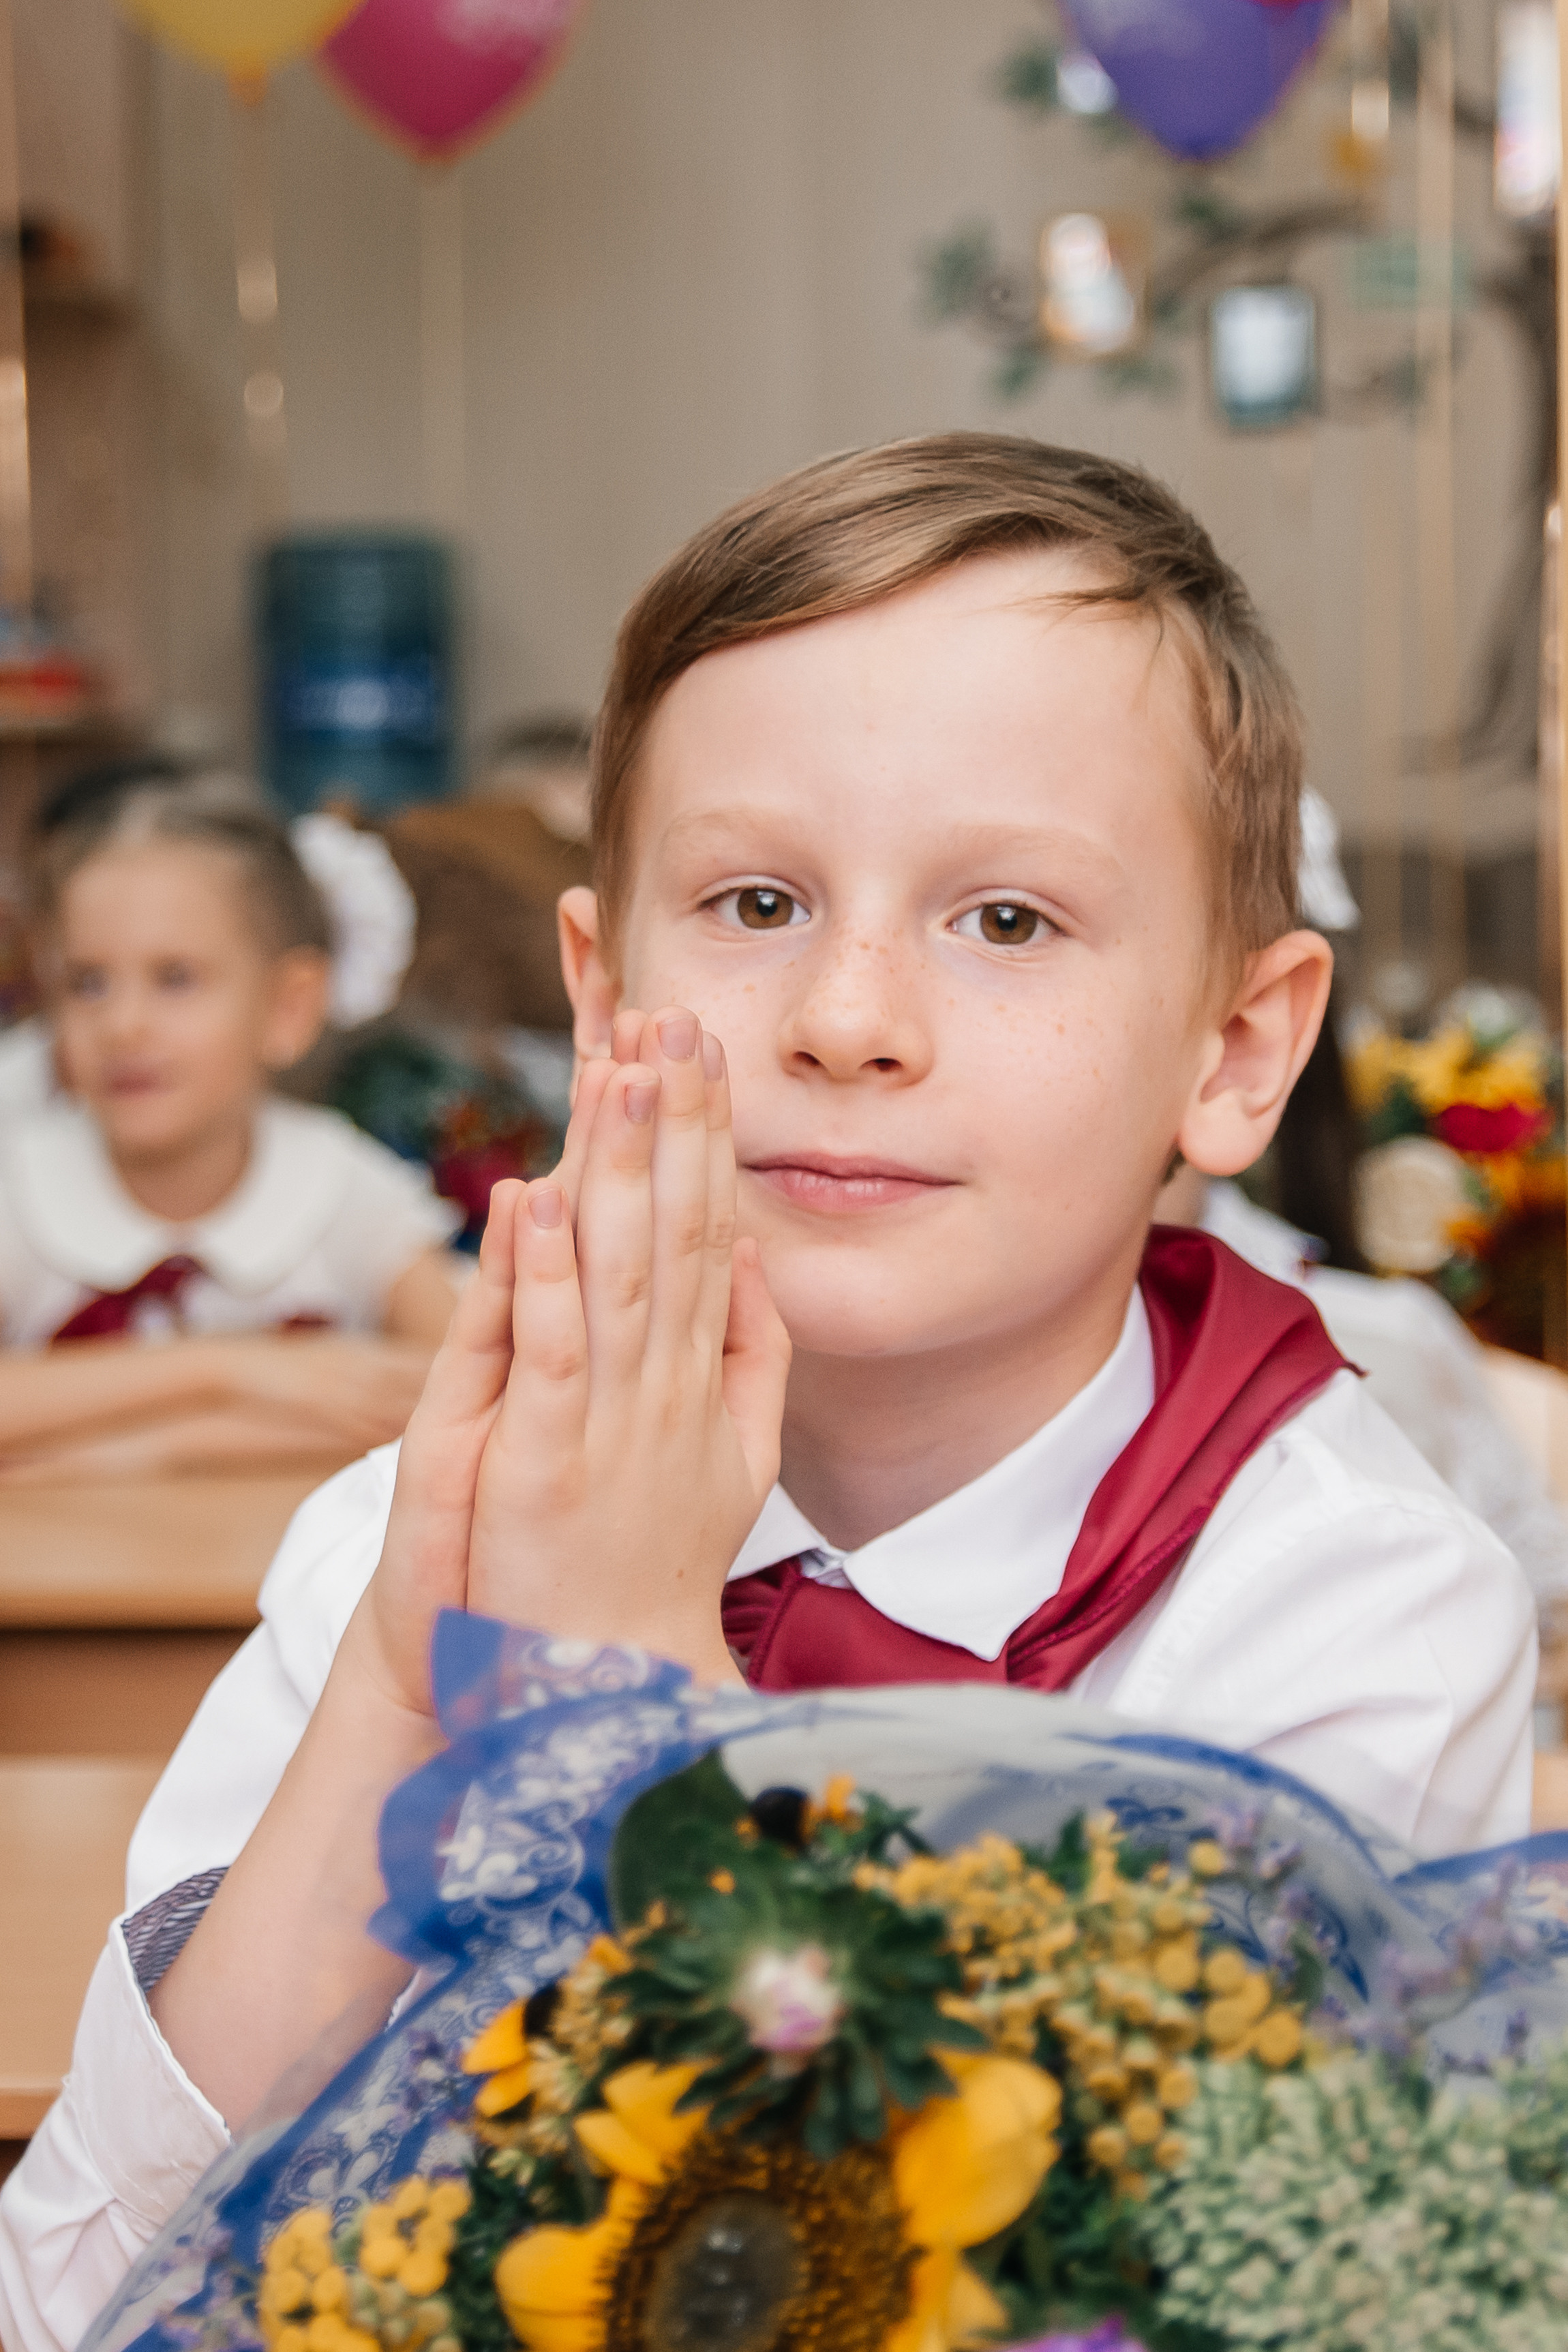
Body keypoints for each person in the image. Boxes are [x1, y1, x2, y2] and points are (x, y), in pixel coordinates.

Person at [0, 435, 1537, 2350]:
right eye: (749, 905)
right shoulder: (399, 1547)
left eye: (1005, 920)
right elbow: (74, 2296)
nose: (841, 1019)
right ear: (596, 993)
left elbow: (1088, 2300)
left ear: (1234, 1049)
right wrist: (406, 1684)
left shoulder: (1340, 1612)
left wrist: (626, 1708)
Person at [0, 771, 462, 1481]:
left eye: (176, 977)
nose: (123, 1026)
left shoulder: (344, 1186)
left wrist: (136, 1449)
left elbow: (460, 1391)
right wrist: (225, 1373)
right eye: (87, 982)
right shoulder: (18, 1188)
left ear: (288, 1007)